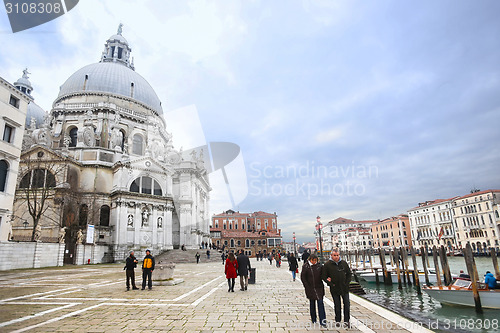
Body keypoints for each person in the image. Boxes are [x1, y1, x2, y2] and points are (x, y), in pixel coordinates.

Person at [322, 250, 352, 327]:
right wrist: (330, 284)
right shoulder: (327, 265)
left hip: (344, 287)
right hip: (334, 287)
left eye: (337, 255)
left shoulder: (344, 263)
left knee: (347, 304)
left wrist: (347, 283)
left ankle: (346, 321)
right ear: (331, 255)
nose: (336, 257)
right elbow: (324, 276)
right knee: (337, 305)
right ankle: (338, 320)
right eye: (335, 255)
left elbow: (349, 273)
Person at [301, 253, 326, 327]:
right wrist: (306, 286)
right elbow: (303, 277)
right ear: (310, 260)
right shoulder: (305, 267)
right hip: (310, 287)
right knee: (312, 303)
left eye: (315, 260)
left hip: (319, 287)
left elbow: (323, 275)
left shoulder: (319, 266)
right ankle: (314, 318)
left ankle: (323, 321)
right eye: (313, 260)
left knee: (320, 302)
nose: (314, 262)